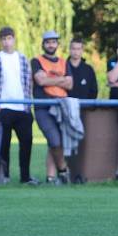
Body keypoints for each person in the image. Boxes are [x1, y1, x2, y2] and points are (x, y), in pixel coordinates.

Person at [0, 27, 37, 185]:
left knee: (27, 141)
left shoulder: (22, 59)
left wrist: (28, 105)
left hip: (22, 108)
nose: (7, 42)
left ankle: (25, 176)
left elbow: (28, 82)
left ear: (14, 39)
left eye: (9, 38)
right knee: (4, 144)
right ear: (0, 41)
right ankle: (5, 176)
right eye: (4, 39)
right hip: (4, 108)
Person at [31, 30, 73, 185]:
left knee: (58, 142)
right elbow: (40, 81)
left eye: (53, 42)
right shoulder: (36, 61)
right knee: (54, 141)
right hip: (43, 106)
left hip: (62, 106)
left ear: (57, 44)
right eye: (48, 42)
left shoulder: (63, 62)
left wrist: (50, 79)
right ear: (43, 44)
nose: (51, 44)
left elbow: (70, 83)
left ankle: (51, 177)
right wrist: (60, 80)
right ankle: (63, 170)